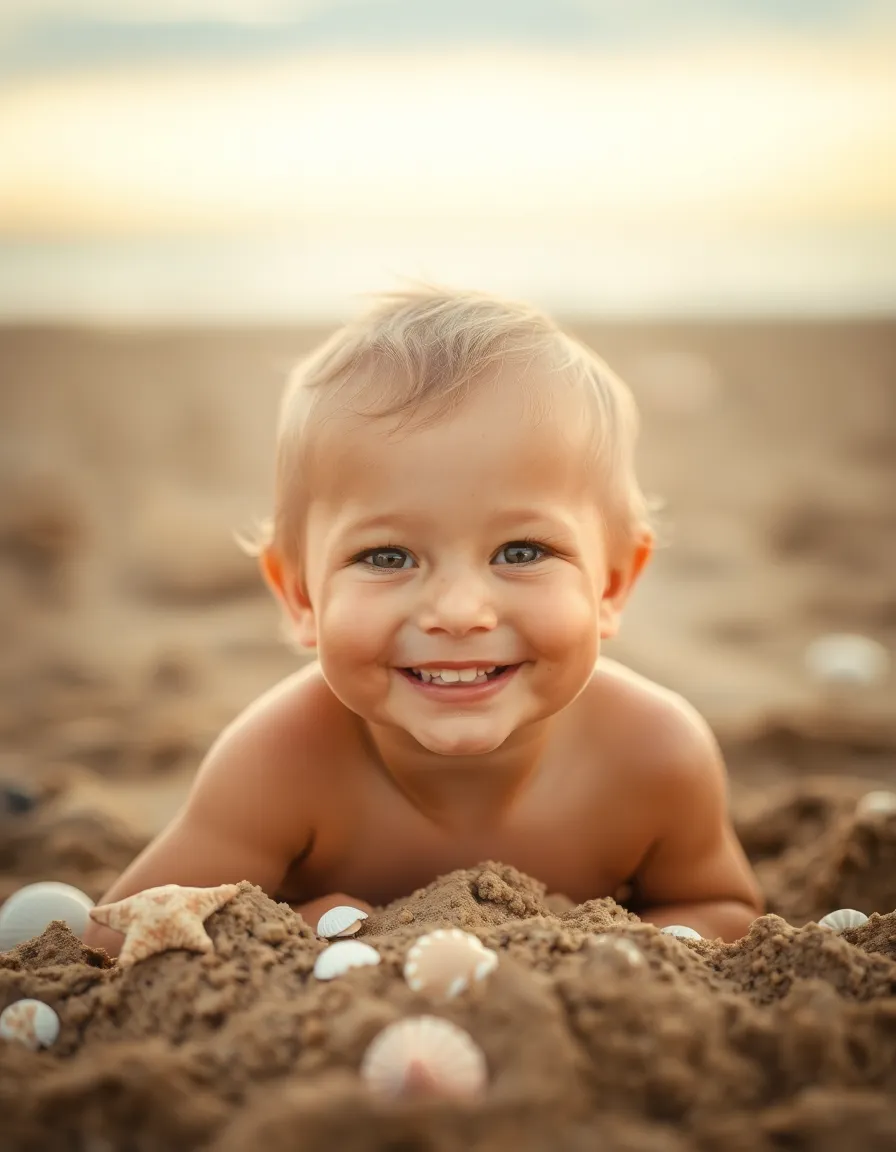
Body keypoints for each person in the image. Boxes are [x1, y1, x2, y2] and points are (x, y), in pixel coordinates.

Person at [82, 285, 764, 955]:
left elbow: (723, 906)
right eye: (387, 556)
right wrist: (280, 923)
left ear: (611, 583)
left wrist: (644, 947)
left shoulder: (655, 755)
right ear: (300, 598)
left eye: (521, 552)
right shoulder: (281, 762)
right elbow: (114, 933)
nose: (461, 611)